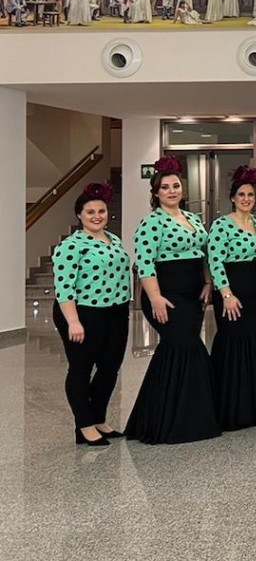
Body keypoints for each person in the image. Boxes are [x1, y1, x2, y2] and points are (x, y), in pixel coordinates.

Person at [125, 156, 221, 444]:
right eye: (165, 187)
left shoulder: (192, 219)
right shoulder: (151, 223)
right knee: (184, 347)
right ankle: (170, 421)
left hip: (192, 296)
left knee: (177, 350)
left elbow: (204, 254)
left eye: (175, 186)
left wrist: (208, 281)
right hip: (165, 295)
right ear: (155, 193)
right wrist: (154, 298)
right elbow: (145, 264)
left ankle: (174, 415)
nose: (171, 191)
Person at [51, 183, 131, 446]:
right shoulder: (71, 245)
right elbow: (64, 288)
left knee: (110, 368)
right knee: (81, 369)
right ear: (79, 215)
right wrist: (73, 321)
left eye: (101, 211)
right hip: (83, 313)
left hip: (115, 312)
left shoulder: (114, 239)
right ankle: (83, 424)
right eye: (90, 212)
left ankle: (98, 418)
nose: (97, 216)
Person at [206, 166, 256, 431]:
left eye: (251, 195)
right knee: (234, 343)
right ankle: (233, 409)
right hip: (233, 292)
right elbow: (215, 261)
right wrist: (225, 294)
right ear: (233, 197)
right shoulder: (222, 225)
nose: (246, 199)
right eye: (241, 194)